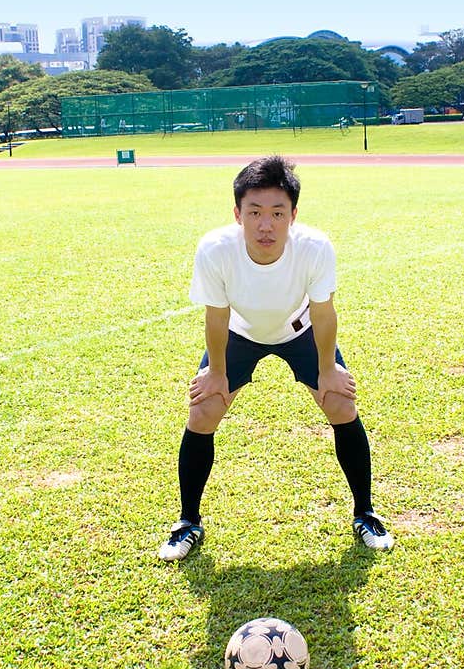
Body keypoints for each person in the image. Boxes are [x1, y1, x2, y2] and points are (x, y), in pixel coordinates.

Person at [159, 154, 394, 560]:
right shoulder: (215, 249)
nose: (265, 225)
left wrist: (327, 371)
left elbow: (323, 311)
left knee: (341, 404)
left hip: (300, 331)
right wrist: (216, 373)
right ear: (238, 214)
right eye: (254, 212)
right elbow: (216, 316)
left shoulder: (315, 247)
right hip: (239, 333)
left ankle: (365, 513)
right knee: (203, 413)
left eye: (276, 213)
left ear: (293, 215)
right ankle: (188, 522)